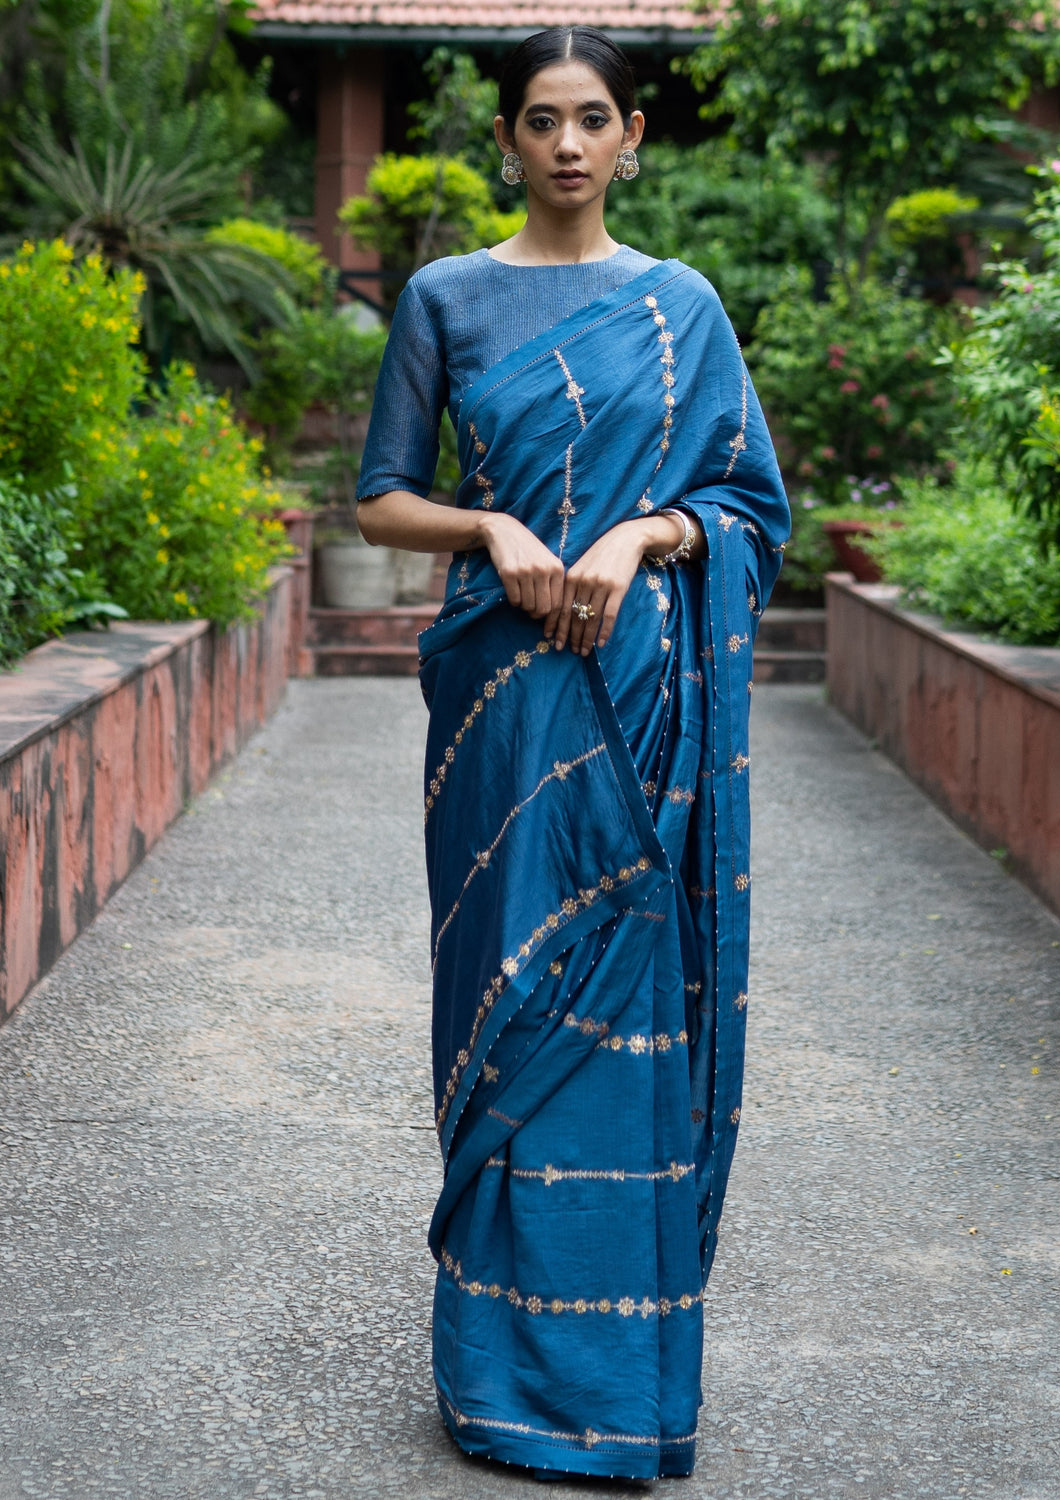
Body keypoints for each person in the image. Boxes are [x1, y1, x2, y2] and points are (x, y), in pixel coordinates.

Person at [355, 25, 790, 1482]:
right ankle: (500, 1384)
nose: (565, 144)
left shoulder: (683, 308)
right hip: (500, 706)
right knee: (510, 1007)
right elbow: (379, 501)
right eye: (539, 120)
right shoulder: (447, 299)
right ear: (505, 139)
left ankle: (621, 1389)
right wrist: (490, 524)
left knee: (630, 1030)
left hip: (645, 700)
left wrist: (635, 530)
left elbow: (744, 506)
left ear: (634, 135)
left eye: (591, 118)